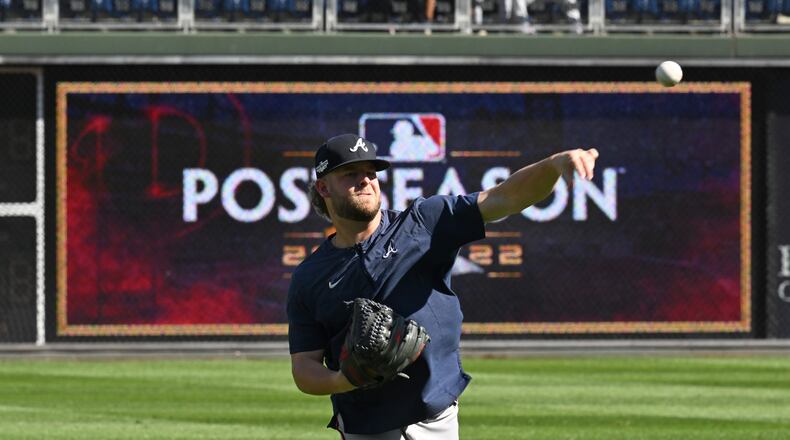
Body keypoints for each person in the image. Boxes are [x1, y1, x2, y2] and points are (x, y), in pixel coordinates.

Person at [287, 133, 599, 439]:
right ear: (323, 187)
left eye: (371, 173)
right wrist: (346, 379)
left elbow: (506, 197)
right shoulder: (309, 276)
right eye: (350, 174)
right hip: (364, 424)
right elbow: (304, 369)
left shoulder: (423, 222)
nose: (365, 181)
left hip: (435, 413)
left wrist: (555, 164)